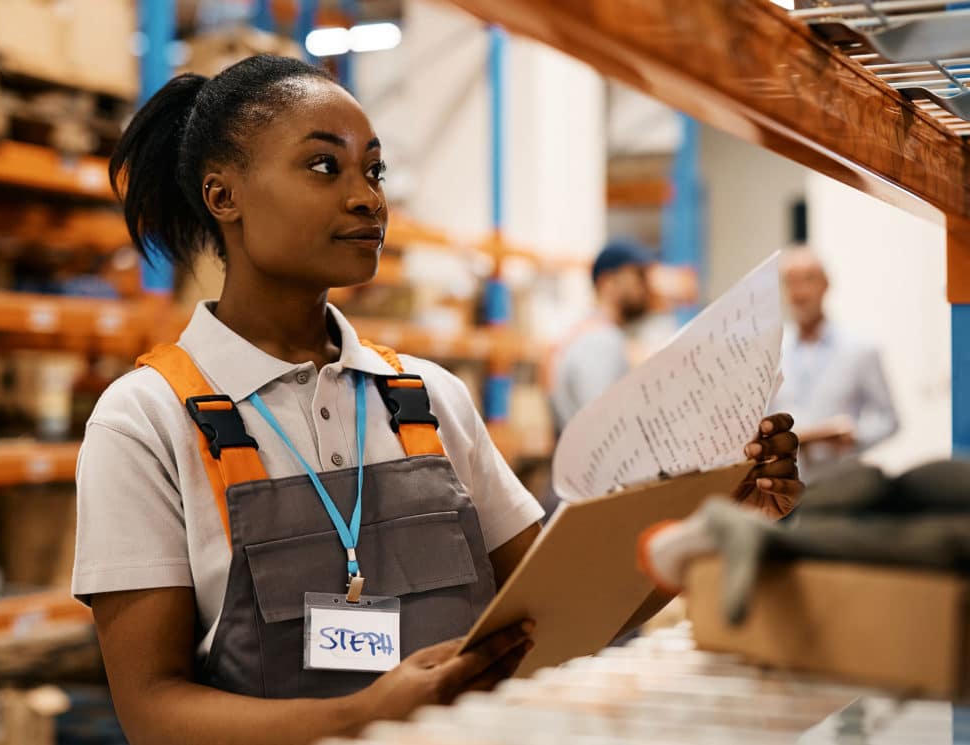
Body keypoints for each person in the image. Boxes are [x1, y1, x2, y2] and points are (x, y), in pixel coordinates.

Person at [73, 55, 803, 745]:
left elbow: (569, 606)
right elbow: (152, 711)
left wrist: (723, 517)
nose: (367, 196)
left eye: (375, 168)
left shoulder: (426, 400)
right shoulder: (146, 420)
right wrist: (364, 716)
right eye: (324, 165)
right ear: (222, 194)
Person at [770, 248, 899, 481]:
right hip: (784, 484)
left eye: (808, 280)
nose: (799, 292)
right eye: (791, 282)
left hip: (841, 482)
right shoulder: (772, 352)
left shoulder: (861, 349)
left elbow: (889, 418)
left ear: (826, 284)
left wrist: (856, 436)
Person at [549, 239, 656, 434]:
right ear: (607, 282)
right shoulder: (600, 340)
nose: (645, 287)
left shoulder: (593, 333)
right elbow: (603, 428)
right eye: (638, 276)